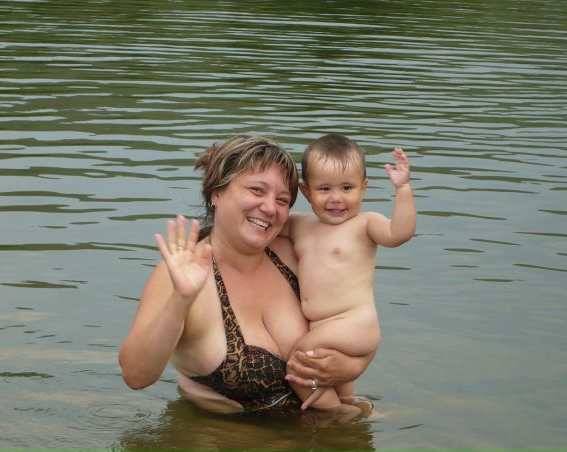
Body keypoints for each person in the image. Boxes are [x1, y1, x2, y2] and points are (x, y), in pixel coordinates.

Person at [118, 135, 374, 415]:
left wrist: (353, 366)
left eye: (282, 200)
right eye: (256, 190)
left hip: (330, 424)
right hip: (229, 434)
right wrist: (180, 300)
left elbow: (357, 317)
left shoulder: (293, 255)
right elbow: (136, 376)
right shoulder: (183, 274)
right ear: (216, 193)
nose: (269, 208)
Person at [282, 133, 416, 409]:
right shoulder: (299, 226)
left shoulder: (365, 225)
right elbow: (267, 228)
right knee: (340, 387)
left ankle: (335, 414)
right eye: (324, 189)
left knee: (299, 361)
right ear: (306, 192)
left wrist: (403, 190)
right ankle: (352, 407)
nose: (336, 198)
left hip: (352, 324)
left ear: (363, 188)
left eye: (347, 188)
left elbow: (399, 234)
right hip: (325, 327)